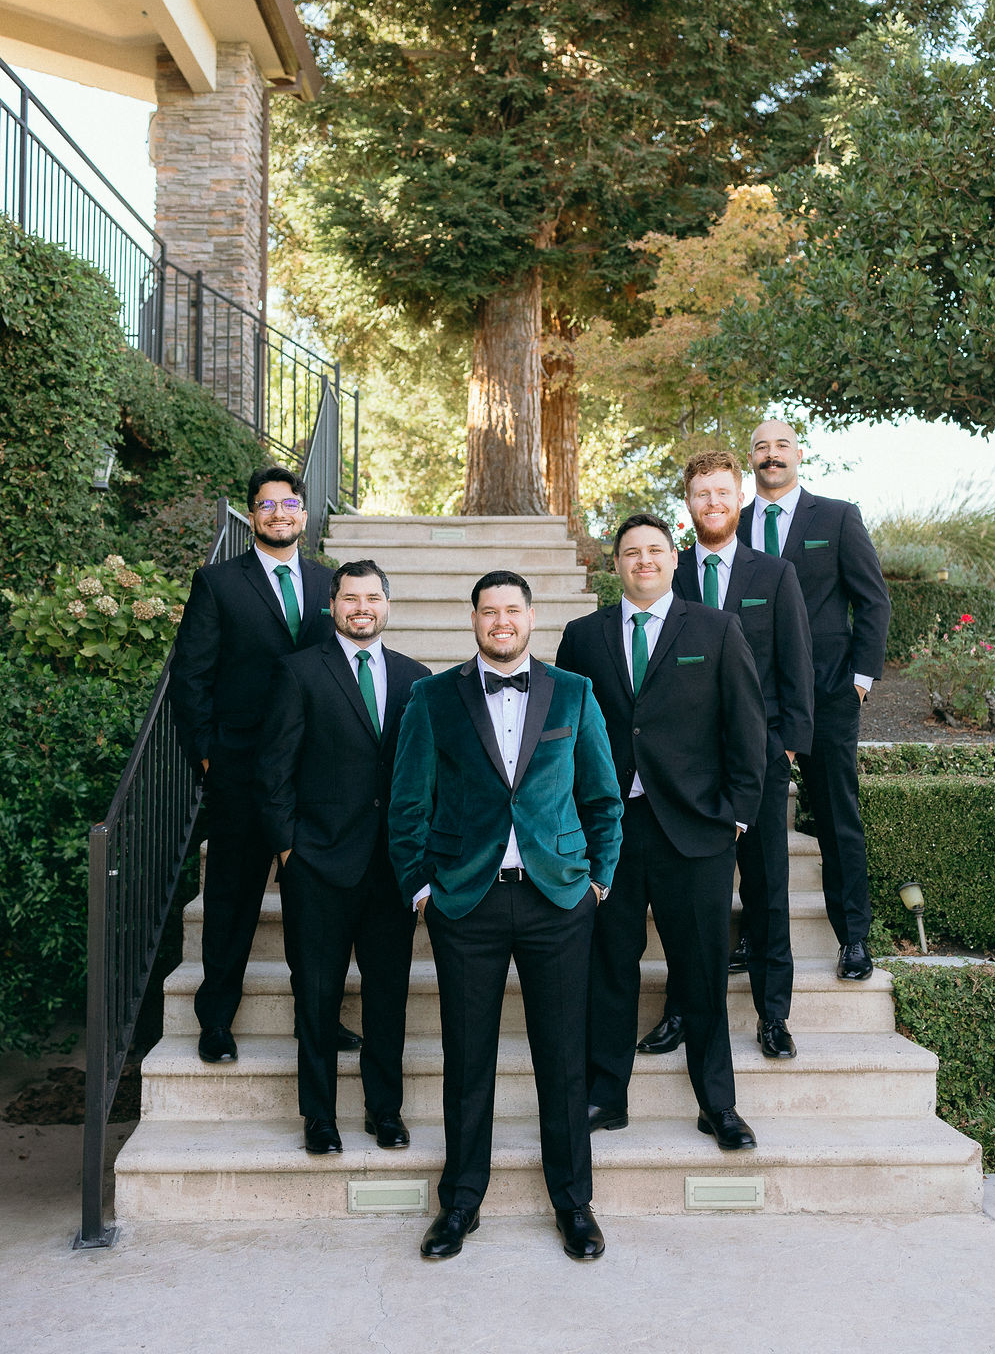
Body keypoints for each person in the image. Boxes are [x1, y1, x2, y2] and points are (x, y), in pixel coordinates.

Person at [388, 570, 622, 1262]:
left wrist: (598, 883)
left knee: (563, 1058)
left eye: (511, 610)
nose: (501, 621)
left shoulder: (574, 693)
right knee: (467, 1060)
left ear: (530, 617)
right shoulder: (432, 698)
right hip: (466, 901)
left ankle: (574, 1204)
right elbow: (407, 807)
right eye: (489, 611)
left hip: (558, 900)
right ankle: (460, 1203)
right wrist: (421, 888)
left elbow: (605, 798)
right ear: (473, 620)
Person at [556, 513, 765, 1150]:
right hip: (611, 829)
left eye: (654, 550)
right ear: (615, 564)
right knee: (609, 965)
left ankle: (717, 1104)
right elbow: (563, 733)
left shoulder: (716, 629)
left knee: (700, 970)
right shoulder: (582, 636)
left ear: (673, 560)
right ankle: (605, 1093)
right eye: (630, 552)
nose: (643, 560)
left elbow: (747, 728)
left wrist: (735, 813)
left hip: (695, 830)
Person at [636, 453, 813, 1061]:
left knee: (766, 889)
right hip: (684, 770)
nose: (712, 502)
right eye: (700, 493)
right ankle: (682, 1007)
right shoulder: (669, 572)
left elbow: (796, 664)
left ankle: (773, 1015)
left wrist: (788, 745)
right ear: (687, 504)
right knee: (689, 899)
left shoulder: (774, 575)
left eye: (722, 491)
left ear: (739, 498)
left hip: (756, 759)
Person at [168, 466, 343, 1063]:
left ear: (302, 513)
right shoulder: (218, 583)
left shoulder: (330, 584)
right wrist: (209, 757)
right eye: (265, 505)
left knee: (312, 904)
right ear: (252, 515)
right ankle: (216, 1019)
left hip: (314, 772)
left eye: (288, 503)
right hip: (240, 768)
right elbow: (189, 677)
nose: (278, 513)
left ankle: (317, 1018)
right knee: (232, 898)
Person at [259, 560, 430, 1155]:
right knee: (317, 997)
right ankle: (320, 1119)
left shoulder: (416, 678)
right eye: (350, 598)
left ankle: (386, 1112)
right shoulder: (300, 672)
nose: (362, 608)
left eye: (373, 598)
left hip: (391, 870)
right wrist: (289, 850)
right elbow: (273, 769)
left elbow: (428, 774)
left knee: (388, 999)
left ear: (388, 605)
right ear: (332, 605)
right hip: (319, 866)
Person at [737, 419, 891, 981]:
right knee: (749, 820)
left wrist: (860, 679)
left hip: (829, 692)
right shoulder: (734, 524)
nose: (771, 456)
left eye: (781, 446)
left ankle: (853, 937)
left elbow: (873, 601)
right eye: (761, 447)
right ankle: (755, 932)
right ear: (750, 458)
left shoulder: (837, 516)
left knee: (834, 812)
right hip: (755, 699)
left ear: (799, 454)